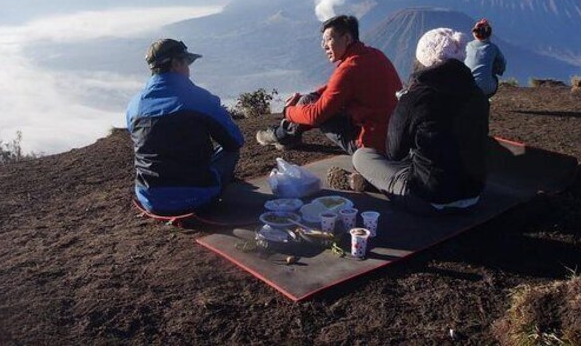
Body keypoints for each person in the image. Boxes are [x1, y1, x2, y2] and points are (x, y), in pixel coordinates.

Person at [339, 28, 489, 213]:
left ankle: (377, 184)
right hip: (473, 195)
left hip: (430, 199)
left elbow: (394, 151)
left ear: (422, 59)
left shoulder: (417, 97)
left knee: (362, 156)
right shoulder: (477, 94)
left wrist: (403, 104)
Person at [126, 39, 244, 214]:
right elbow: (235, 141)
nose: (189, 70)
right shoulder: (198, 98)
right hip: (198, 197)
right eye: (187, 63)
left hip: (150, 199)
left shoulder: (134, 105)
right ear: (175, 64)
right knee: (228, 152)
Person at [255, 15, 402, 156]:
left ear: (347, 39)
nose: (324, 46)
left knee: (312, 106)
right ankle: (284, 136)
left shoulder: (349, 69)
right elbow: (337, 87)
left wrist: (288, 111)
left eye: (328, 39)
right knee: (309, 99)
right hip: (393, 137)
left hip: (369, 146)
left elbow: (316, 116)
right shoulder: (373, 54)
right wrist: (313, 95)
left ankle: (282, 136)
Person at [464, 18, 507, 98]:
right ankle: (483, 99)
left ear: (474, 33)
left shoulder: (466, 46)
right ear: (490, 34)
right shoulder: (493, 48)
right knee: (494, 78)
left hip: (467, 86)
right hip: (486, 88)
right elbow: (502, 65)